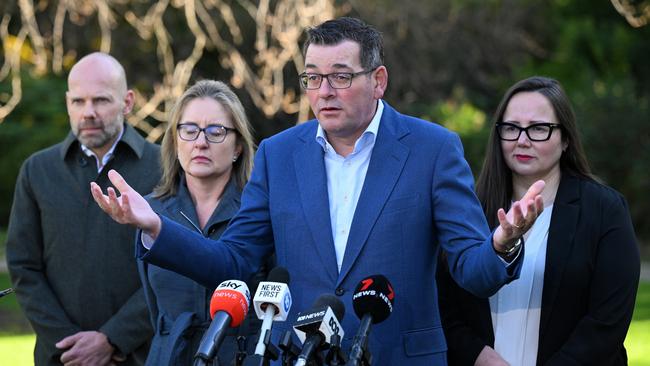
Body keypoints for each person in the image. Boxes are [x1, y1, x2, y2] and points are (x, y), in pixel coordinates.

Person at [91, 18, 544, 365]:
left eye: (341, 77)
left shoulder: (433, 149)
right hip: (301, 354)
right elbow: (234, 261)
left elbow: (473, 270)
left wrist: (503, 245)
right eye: (313, 77)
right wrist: (154, 225)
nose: (324, 91)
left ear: (378, 80)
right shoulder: (278, 154)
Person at [437, 76, 640, 365]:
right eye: (511, 128)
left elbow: (607, 320)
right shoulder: (469, 209)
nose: (522, 140)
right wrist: (480, 357)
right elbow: (443, 306)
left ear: (566, 138)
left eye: (539, 129)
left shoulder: (604, 209)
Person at [6, 52, 160, 365]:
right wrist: (69, 345)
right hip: (60, 357)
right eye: (78, 101)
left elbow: (172, 269)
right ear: (67, 103)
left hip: (141, 356)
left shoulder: (164, 167)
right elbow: (23, 267)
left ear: (127, 102)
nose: (88, 112)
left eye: (101, 100)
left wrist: (114, 338)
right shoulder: (38, 171)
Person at [137, 79, 270, 365]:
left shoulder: (259, 209)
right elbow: (153, 306)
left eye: (216, 131)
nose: (200, 142)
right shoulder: (150, 210)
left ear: (238, 147)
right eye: (189, 130)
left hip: (239, 358)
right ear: (175, 141)